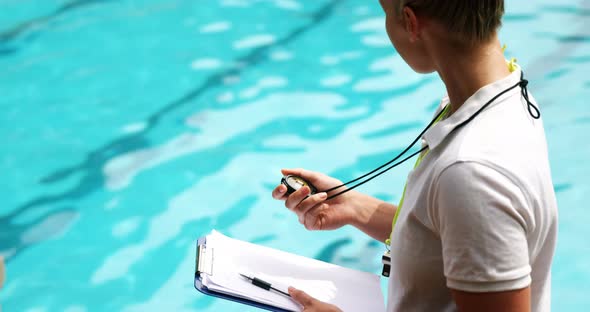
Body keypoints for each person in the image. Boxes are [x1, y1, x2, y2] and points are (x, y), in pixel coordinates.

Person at [272, 0, 558, 311]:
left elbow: (472, 199)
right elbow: (451, 234)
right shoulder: (505, 93)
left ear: (410, 21)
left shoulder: (471, 172)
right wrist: (357, 207)